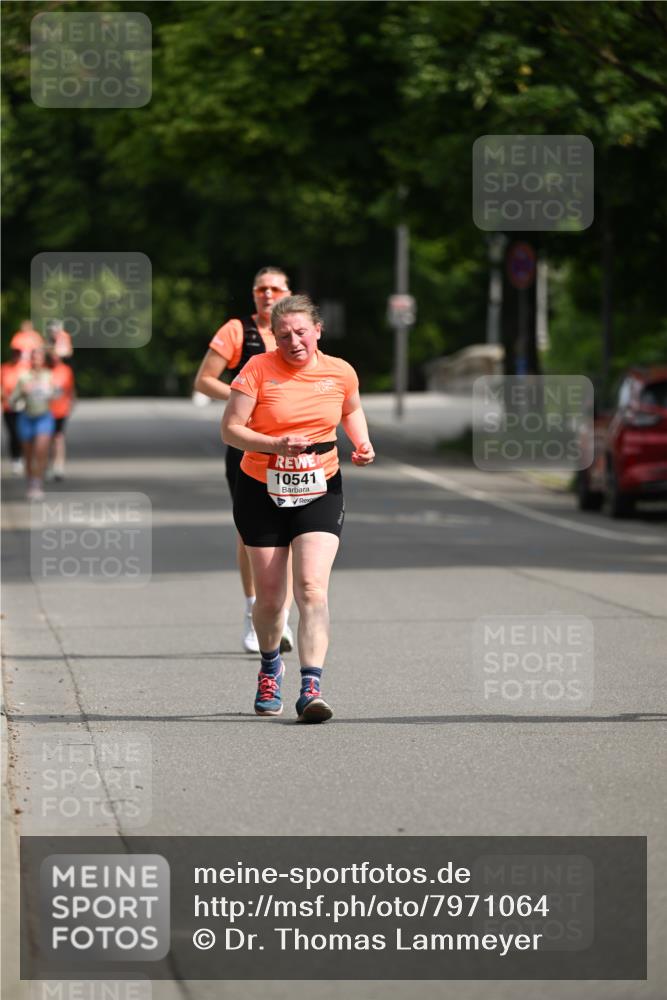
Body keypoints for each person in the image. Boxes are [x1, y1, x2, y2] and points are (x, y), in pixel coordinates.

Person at [222, 294, 375, 723]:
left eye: (301, 332)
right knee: (271, 600)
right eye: (284, 334)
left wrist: (361, 442)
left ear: (318, 331)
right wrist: (273, 444)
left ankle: (311, 687)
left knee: (311, 588)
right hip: (261, 489)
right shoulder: (256, 370)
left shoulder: (340, 371)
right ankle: (271, 666)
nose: (294, 342)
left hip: (321, 486)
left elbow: (353, 409)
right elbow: (231, 430)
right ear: (274, 336)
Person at [194, 267, 295, 654]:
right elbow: (205, 379)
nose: (268, 294)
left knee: (291, 526)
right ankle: (254, 609)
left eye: (275, 288)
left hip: (293, 444)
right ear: (254, 294)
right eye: (261, 288)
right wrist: (243, 401)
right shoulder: (238, 330)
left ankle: (281, 615)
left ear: (288, 292)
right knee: (250, 530)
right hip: (248, 443)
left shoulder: (298, 332)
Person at [9, 345, 58, 500]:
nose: (36, 360)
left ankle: (38, 483)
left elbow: (57, 394)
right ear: (30, 360)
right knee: (29, 454)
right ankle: (31, 482)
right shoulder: (24, 377)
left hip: (44, 417)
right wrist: (22, 392)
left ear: (43, 360)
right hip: (26, 417)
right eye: (34, 357)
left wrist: (51, 392)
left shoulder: (49, 376)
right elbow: (12, 401)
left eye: (39, 357)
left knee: (41, 450)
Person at [48, 352, 76, 480]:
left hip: (61, 409)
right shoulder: (44, 369)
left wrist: (72, 403)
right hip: (45, 410)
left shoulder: (66, 370)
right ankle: (49, 464)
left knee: (58, 437)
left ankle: (58, 465)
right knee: (47, 439)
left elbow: (70, 389)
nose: (54, 357)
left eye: (56, 355)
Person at [1, 348, 26, 475]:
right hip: (8, 407)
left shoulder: (25, 368)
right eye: (14, 355)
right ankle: (15, 459)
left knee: (22, 433)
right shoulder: (4, 368)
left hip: (23, 407)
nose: (16, 357)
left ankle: (22, 457)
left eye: (18, 355)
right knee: (13, 434)